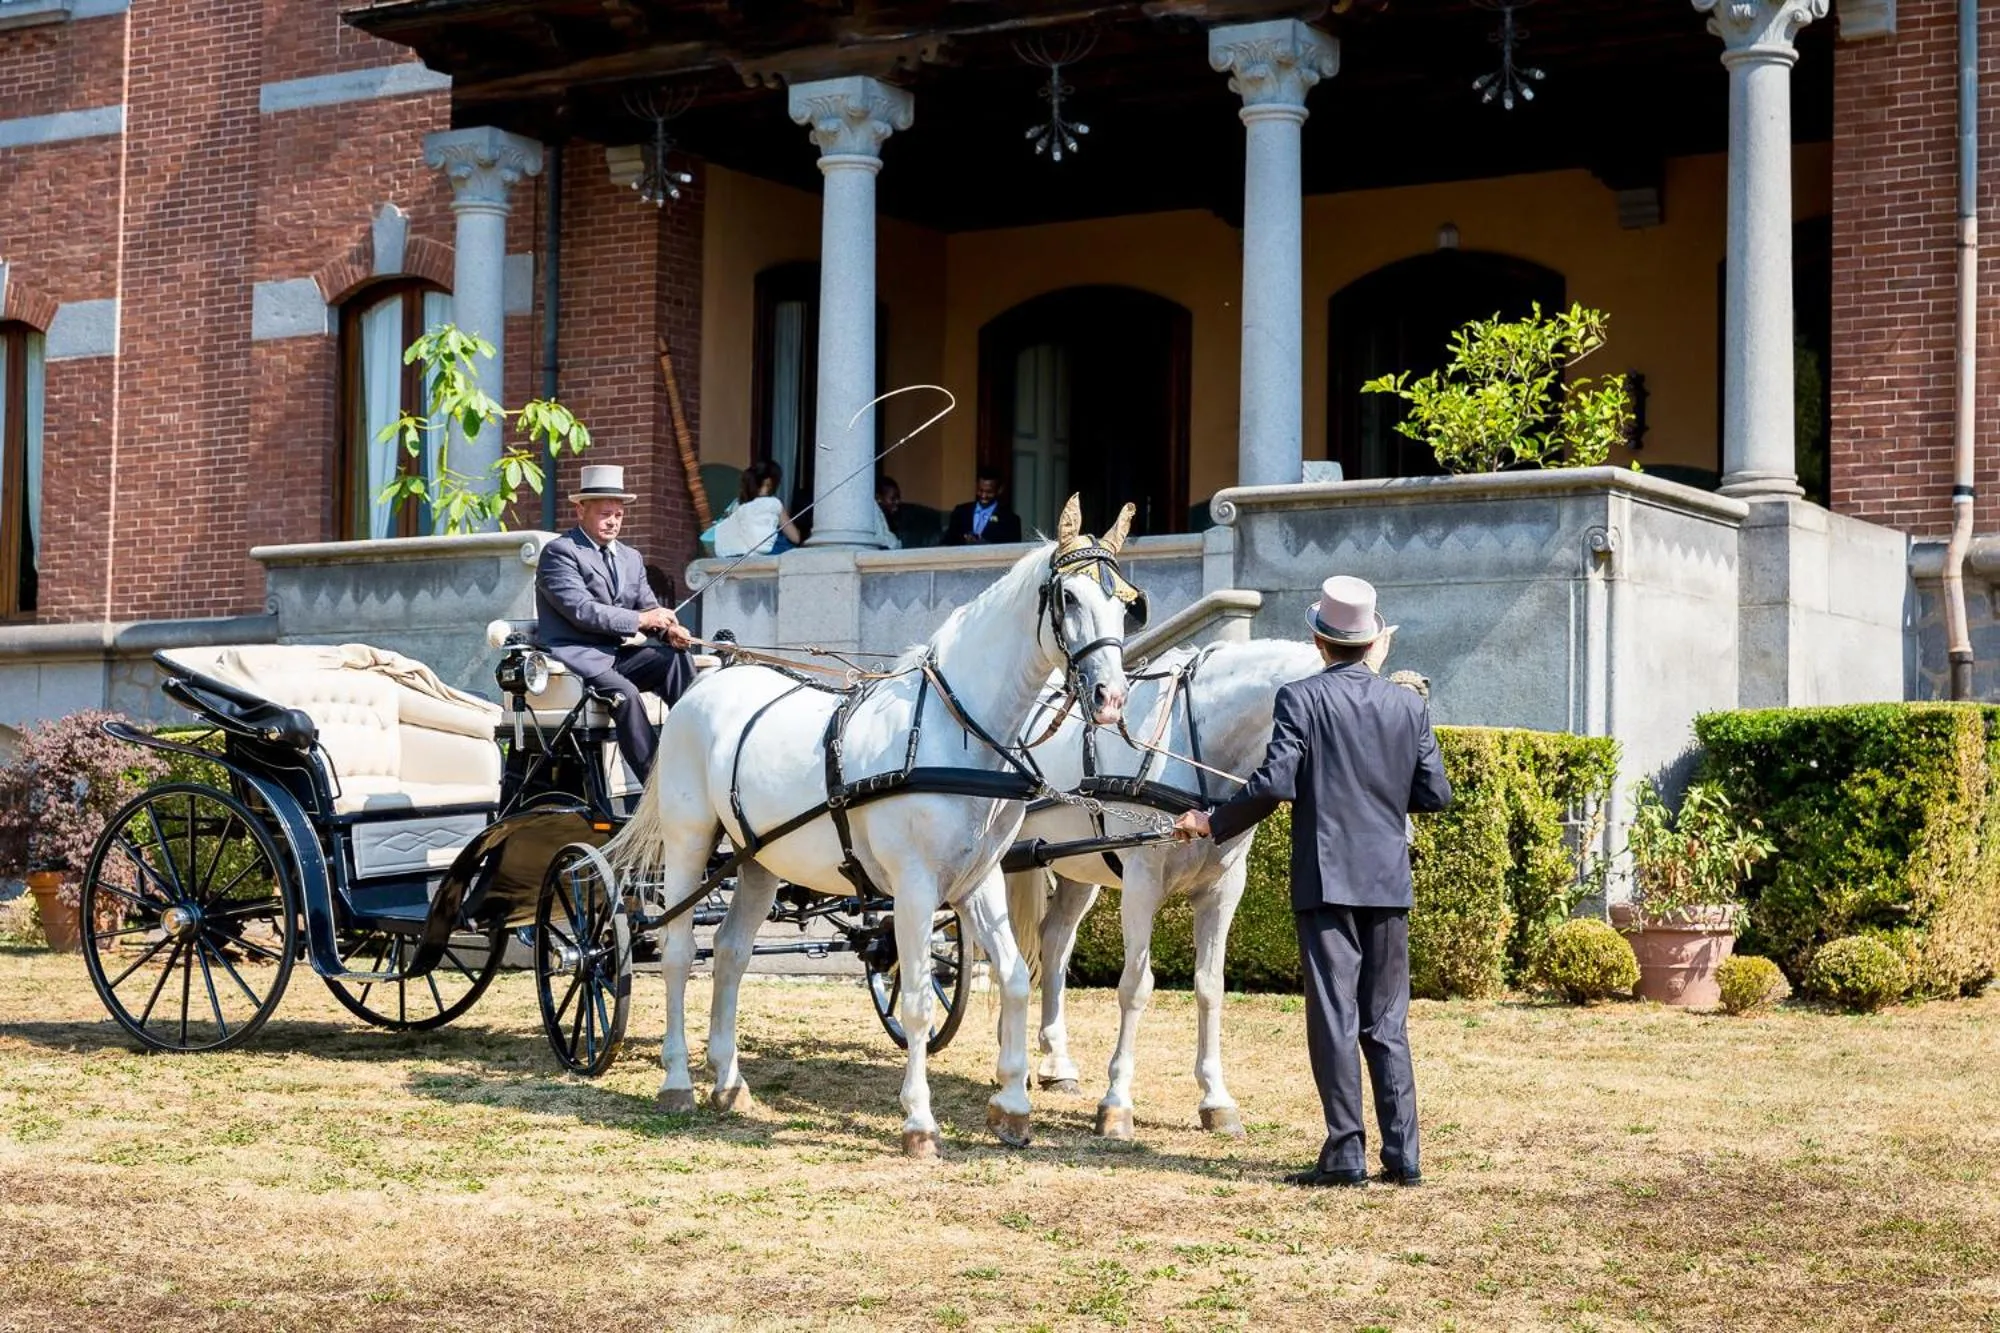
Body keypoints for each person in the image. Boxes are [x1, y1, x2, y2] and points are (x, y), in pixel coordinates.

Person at [1173, 575, 1452, 1189]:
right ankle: (1403, 1157)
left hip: (1326, 879)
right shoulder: (1409, 704)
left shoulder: (1300, 699)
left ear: (1319, 640)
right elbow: (1435, 794)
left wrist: (1210, 821)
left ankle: (1347, 1153)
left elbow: (1273, 785)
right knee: (1386, 1022)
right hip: (1387, 880)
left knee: (1334, 1017)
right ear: (1372, 642)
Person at [535, 464, 695, 783]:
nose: (613, 521)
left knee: (675, 660)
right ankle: (657, 784)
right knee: (626, 693)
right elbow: (582, 611)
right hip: (577, 657)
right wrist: (641, 619)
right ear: (581, 509)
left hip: (615, 656)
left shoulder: (630, 557)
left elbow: (648, 606)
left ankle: (698, 749)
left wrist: (669, 630)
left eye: (618, 515)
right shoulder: (560, 553)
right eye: (605, 513)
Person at [712, 460, 802, 558]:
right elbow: (795, 538)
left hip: (735, 556)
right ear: (768, 483)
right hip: (768, 555)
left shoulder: (736, 505)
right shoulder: (772, 504)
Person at [944, 467, 1022, 545]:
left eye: (989, 492)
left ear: (999, 490)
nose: (983, 496)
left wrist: (984, 543)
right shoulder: (960, 511)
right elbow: (948, 541)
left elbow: (1013, 550)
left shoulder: (1010, 520)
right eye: (980, 490)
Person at [870, 474, 904, 550]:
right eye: (893, 498)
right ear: (878, 498)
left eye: (898, 498)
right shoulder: (873, 513)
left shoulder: (893, 519)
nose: (898, 502)